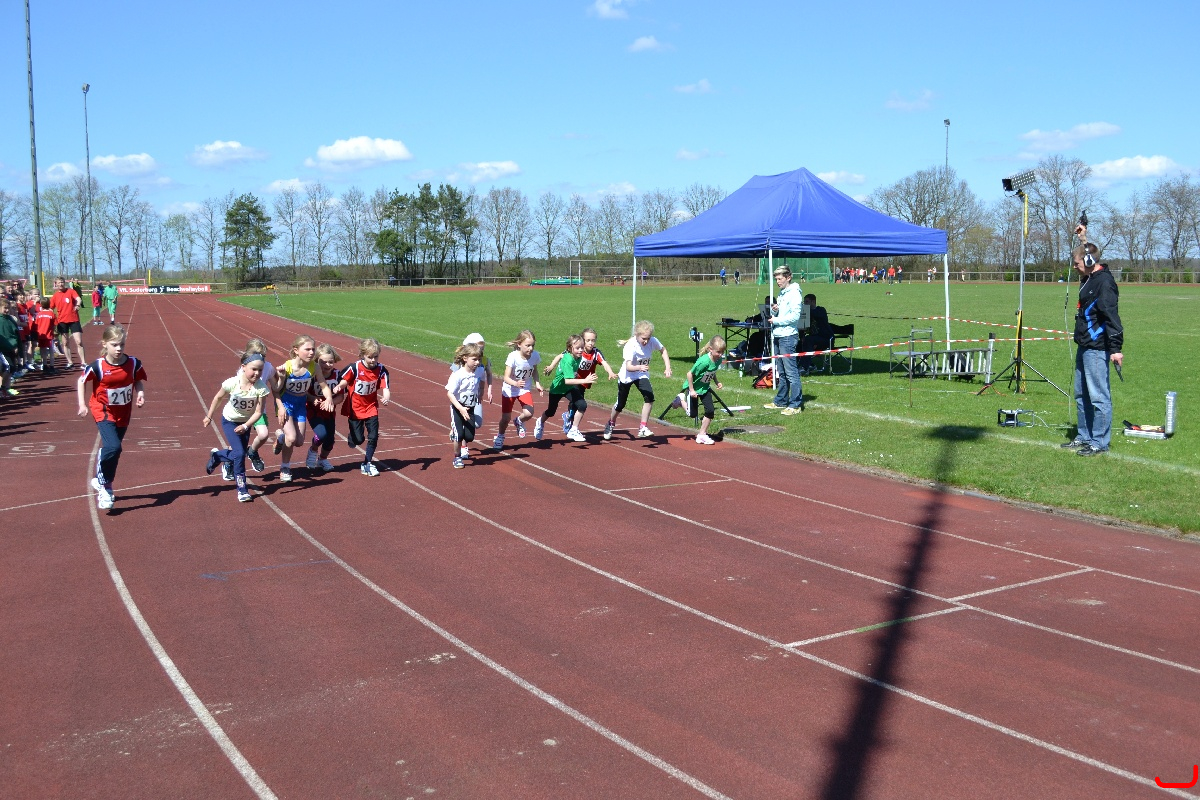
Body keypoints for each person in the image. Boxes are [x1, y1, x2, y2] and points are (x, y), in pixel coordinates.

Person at [1064, 226, 1123, 456]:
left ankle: (1099, 441)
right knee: (1081, 395)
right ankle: (1084, 435)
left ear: (1089, 262)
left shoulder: (1104, 283)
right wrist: (1083, 238)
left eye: (1077, 263)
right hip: (1084, 345)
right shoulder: (1090, 277)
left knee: (1099, 397)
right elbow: (1087, 251)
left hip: (1098, 348)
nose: (1074, 267)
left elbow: (1112, 317)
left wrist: (1115, 349)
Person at [77, 325, 147, 511]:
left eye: (122, 344)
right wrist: (82, 404)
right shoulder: (98, 366)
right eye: (114, 345)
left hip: (123, 413)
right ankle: (105, 487)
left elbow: (138, 381)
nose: (119, 349)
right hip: (103, 411)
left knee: (114, 451)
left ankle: (104, 476)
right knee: (114, 447)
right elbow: (81, 381)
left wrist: (140, 393)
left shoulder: (133, 363)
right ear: (104, 344)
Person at [203, 349, 270, 502]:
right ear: (243, 367)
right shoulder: (232, 383)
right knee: (239, 454)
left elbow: (258, 412)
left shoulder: (261, 388)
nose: (257, 373)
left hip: (245, 423)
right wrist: (209, 416)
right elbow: (218, 398)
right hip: (229, 421)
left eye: (260, 370)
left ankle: (217, 456)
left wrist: (246, 426)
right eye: (254, 369)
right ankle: (242, 489)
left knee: (240, 454)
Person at [272, 335, 332, 482]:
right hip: (286, 404)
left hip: (300, 405)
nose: (311, 352)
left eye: (313, 349)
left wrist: (329, 398)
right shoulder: (287, 367)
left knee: (299, 442)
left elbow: (324, 386)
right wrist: (280, 407)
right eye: (307, 349)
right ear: (296, 350)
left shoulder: (314, 367)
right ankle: (285, 467)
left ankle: (281, 437)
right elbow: (276, 390)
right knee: (291, 438)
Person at [604, 320, 671, 440]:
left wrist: (667, 367)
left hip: (641, 374)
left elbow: (663, 350)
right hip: (627, 376)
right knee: (620, 405)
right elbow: (629, 367)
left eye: (648, 338)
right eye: (643, 338)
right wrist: (640, 367)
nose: (646, 341)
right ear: (636, 335)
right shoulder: (631, 346)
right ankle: (611, 422)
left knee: (649, 397)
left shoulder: (653, 341)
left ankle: (643, 427)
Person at [543, 327, 616, 434]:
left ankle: (569, 417)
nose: (591, 343)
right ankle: (570, 420)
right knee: (578, 402)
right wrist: (551, 366)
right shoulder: (575, 350)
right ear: (582, 340)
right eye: (588, 340)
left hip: (584, 382)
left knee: (577, 403)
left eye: (593, 340)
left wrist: (610, 372)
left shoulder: (596, 353)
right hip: (574, 380)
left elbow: (604, 363)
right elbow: (560, 356)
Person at [336, 337, 391, 476]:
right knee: (358, 440)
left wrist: (386, 397)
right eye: (370, 357)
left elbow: (385, 387)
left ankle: (367, 463)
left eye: (375, 357)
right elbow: (344, 380)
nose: (373, 360)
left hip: (371, 407)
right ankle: (352, 436)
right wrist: (339, 387)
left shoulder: (381, 370)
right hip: (355, 408)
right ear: (362, 355)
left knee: (373, 436)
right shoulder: (354, 368)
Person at [536, 334, 597, 443]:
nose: (580, 350)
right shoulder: (568, 360)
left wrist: (552, 366)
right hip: (557, 389)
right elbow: (567, 380)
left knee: (582, 405)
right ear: (570, 348)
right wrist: (585, 380)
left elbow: (560, 356)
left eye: (582, 347)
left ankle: (574, 429)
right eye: (577, 348)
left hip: (569, 388)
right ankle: (540, 422)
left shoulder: (577, 356)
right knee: (551, 412)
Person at [763, 266, 804, 415]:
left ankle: (795, 404)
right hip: (778, 335)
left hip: (788, 336)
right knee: (781, 372)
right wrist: (775, 309)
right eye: (776, 279)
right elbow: (782, 312)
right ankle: (781, 401)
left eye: (780, 279)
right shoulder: (782, 293)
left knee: (791, 372)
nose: (778, 282)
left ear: (788, 277)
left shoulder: (795, 294)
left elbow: (795, 317)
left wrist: (776, 320)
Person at [671, 335, 725, 445]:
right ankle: (680, 400)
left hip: (704, 388)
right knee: (692, 414)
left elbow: (712, 372)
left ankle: (702, 435)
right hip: (694, 388)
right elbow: (689, 374)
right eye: (718, 352)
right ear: (710, 349)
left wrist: (716, 382)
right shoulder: (703, 362)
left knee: (710, 411)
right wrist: (691, 390)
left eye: (722, 352)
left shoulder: (718, 360)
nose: (720, 355)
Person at [493, 330, 541, 451]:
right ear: (519, 344)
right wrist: (516, 383)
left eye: (533, 345)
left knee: (529, 413)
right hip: (510, 389)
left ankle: (518, 421)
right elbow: (506, 377)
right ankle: (500, 436)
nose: (531, 348)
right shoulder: (513, 357)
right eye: (527, 345)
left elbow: (535, 370)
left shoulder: (535, 355)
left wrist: (537, 383)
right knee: (505, 418)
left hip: (524, 389)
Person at [446, 342, 486, 468]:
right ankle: (457, 457)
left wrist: (481, 392)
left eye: (479, 359)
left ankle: (456, 433)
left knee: (469, 436)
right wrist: (460, 408)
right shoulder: (458, 375)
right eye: (474, 359)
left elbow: (482, 379)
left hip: (470, 407)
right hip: (458, 408)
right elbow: (449, 393)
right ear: (465, 358)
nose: (477, 362)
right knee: (459, 435)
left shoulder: (479, 371)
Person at [305, 343, 344, 473]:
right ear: (317, 361)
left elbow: (341, 396)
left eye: (330, 362)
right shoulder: (312, 375)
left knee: (330, 441)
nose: (328, 365)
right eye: (323, 362)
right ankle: (313, 450)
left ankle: (322, 459)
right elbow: (304, 393)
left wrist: (331, 402)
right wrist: (312, 398)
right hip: (313, 410)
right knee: (321, 434)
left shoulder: (337, 375)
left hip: (329, 412)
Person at [241, 339, 275, 473]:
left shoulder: (268, 367)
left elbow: (276, 387)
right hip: (243, 410)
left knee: (264, 434)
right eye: (256, 355)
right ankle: (227, 461)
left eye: (263, 355)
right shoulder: (243, 370)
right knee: (239, 442)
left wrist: (282, 376)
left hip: (259, 409)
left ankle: (252, 451)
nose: (260, 358)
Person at [50, 277, 85, 369]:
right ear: (56, 284)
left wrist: (77, 305)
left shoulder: (71, 291)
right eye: (59, 283)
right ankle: (70, 362)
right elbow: (50, 308)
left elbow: (78, 298)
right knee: (65, 343)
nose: (61, 284)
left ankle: (83, 362)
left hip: (74, 319)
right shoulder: (55, 296)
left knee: (79, 341)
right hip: (62, 321)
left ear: (64, 283)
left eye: (62, 282)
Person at [799, 293, 831, 374]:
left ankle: (805, 368)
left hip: (825, 339)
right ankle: (808, 365)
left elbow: (816, 314)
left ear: (813, 302)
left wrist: (804, 310)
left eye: (807, 302)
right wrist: (801, 337)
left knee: (808, 340)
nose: (805, 304)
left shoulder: (821, 310)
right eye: (804, 302)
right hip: (813, 339)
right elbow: (802, 327)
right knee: (799, 343)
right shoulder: (806, 313)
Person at [33, 298, 56, 373]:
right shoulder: (51, 314)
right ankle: (52, 366)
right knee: (51, 350)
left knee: (42, 350)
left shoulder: (39, 314)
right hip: (49, 335)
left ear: (41, 305)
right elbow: (54, 324)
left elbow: (36, 324)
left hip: (41, 335)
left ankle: (45, 365)